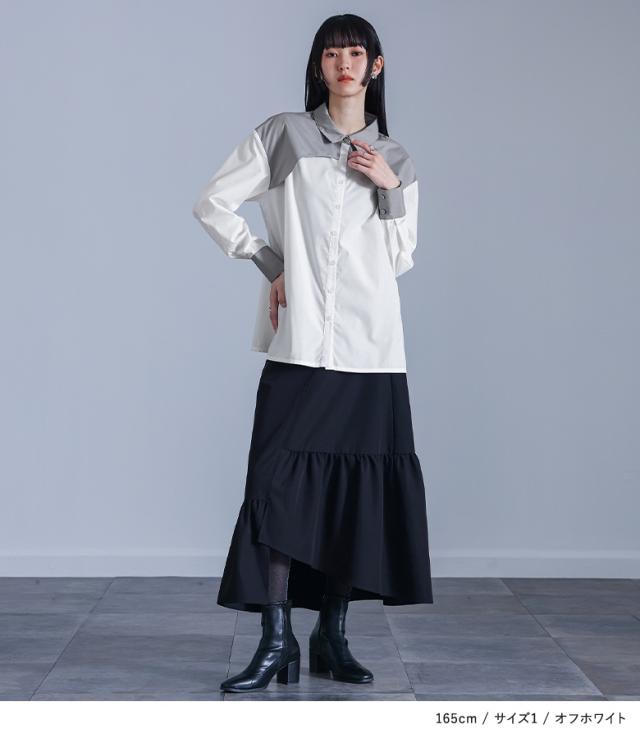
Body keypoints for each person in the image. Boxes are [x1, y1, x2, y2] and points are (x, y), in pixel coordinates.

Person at [192, 13, 433, 694]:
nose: (343, 64)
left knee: (351, 495)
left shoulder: (398, 159)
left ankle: (333, 634)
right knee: (275, 485)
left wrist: (387, 187)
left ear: (375, 66)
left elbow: (400, 258)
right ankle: (276, 640)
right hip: (300, 343)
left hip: (371, 350)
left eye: (355, 53)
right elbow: (212, 203)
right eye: (332, 54)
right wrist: (271, 263)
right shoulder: (284, 135)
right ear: (318, 66)